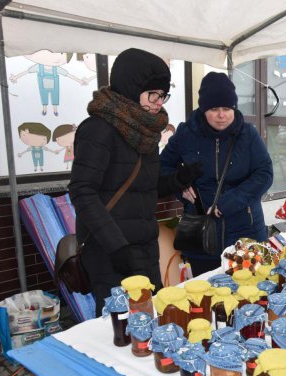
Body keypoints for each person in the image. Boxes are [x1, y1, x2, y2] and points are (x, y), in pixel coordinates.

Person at [69, 48, 201, 315]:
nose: (158, 102)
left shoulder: (145, 132)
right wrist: (117, 247)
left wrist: (176, 181)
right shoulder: (98, 129)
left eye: (163, 95)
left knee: (149, 318)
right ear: (131, 86)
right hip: (110, 250)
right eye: (153, 94)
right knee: (118, 326)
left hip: (143, 247)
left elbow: (145, 189)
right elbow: (82, 192)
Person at [160, 72, 273, 276]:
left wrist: (228, 202)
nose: (222, 115)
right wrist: (180, 185)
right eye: (214, 109)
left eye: (227, 108)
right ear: (203, 109)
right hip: (202, 237)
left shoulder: (247, 134)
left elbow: (264, 174)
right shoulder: (186, 134)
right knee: (208, 296)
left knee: (249, 295)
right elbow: (163, 166)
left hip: (245, 234)